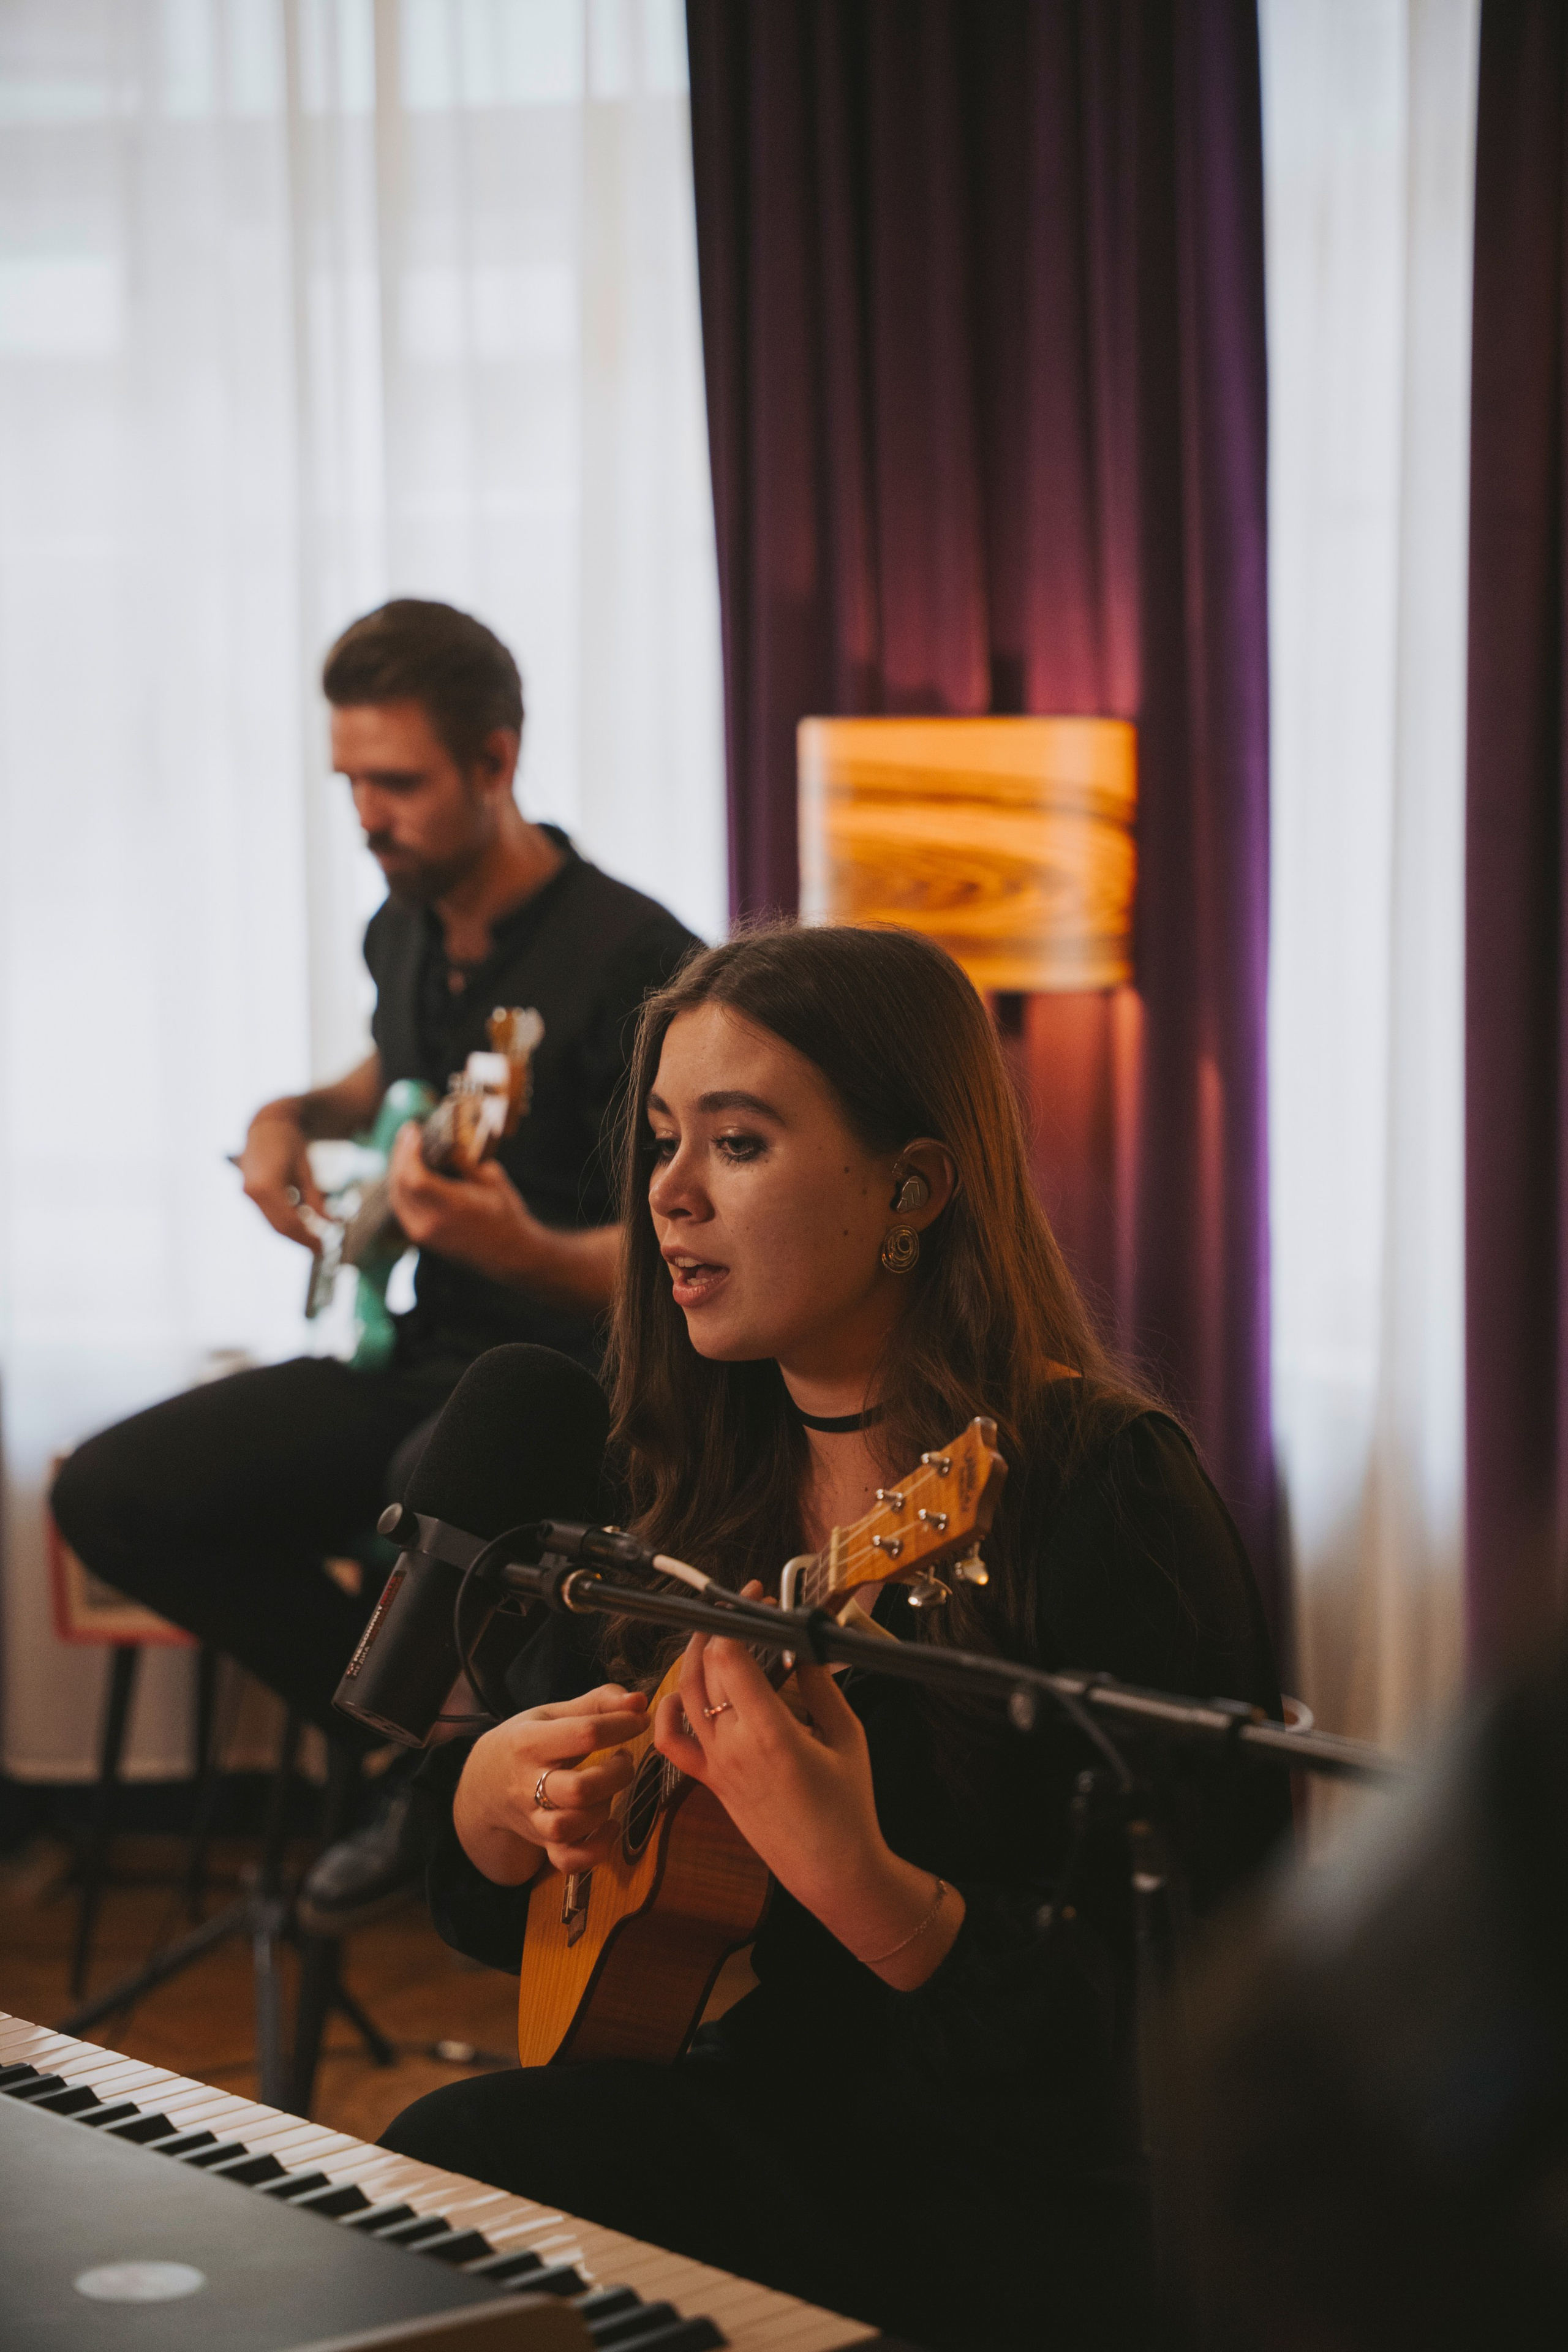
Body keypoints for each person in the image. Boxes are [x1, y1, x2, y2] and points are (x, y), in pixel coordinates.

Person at [385, 924, 1290, 2351]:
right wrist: (500, 1805)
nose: (667, 1195)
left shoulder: (1098, 1493)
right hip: (781, 2112)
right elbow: (539, 1901)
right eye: (664, 1142)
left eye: (736, 1146)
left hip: (1025, 2194)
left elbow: (1191, 2026)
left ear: (913, 1188)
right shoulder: (679, 1473)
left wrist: (859, 1881)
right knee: (451, 2169)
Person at [51, 599, 698, 1930]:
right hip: (419, 1354)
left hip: (570, 1385)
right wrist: (284, 1119)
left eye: (395, 782)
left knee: (429, 1495)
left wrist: (529, 1248)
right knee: (117, 1493)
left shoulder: (638, 961)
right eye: (349, 780)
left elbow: (696, 1242)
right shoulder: (402, 924)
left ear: (495, 763)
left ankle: (437, 1789)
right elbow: (387, 1076)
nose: (366, 814)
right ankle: (418, 1769)